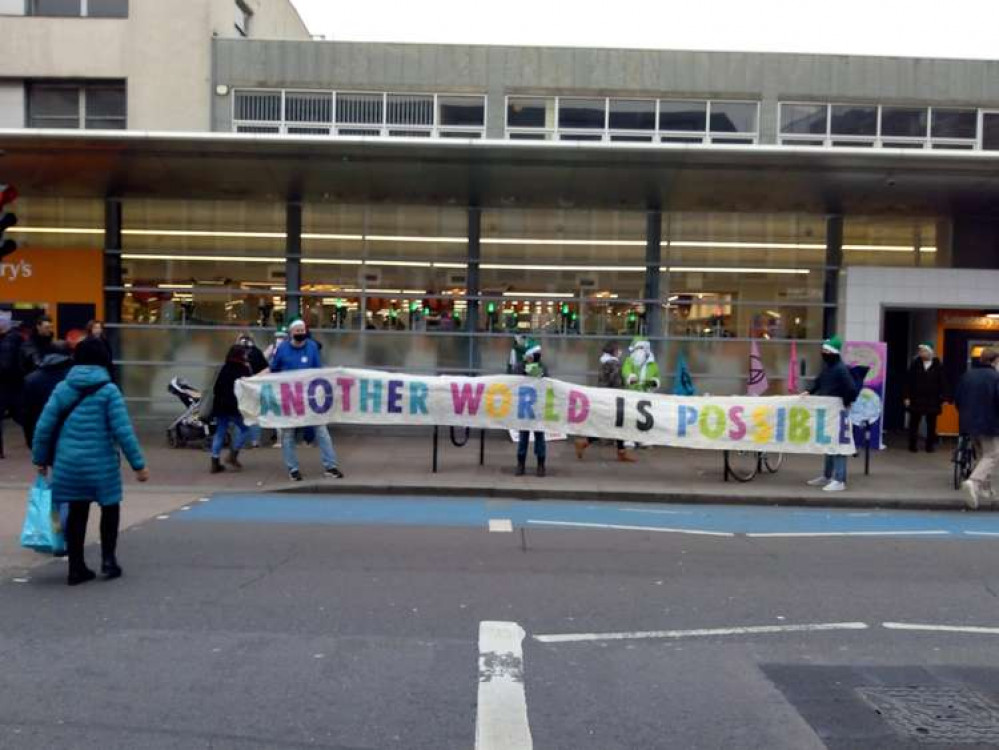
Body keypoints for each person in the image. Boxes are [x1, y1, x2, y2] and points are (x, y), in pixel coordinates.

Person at [31, 338, 148, 586]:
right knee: (110, 508)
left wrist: (40, 459)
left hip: (68, 463)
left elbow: (44, 427)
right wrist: (138, 465)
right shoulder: (109, 390)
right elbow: (122, 431)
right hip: (101, 464)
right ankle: (108, 560)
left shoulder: (63, 388)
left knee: (77, 512)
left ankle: (76, 567)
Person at [269, 319, 344, 481]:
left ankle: (331, 466)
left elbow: (318, 370)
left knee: (322, 432)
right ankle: (293, 469)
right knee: (288, 434)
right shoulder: (282, 349)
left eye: (303, 330)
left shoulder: (311, 347)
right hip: (290, 398)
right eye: (297, 331)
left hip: (311, 398)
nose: (301, 333)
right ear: (291, 333)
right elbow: (274, 369)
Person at [802, 336, 859, 493]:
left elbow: (851, 390)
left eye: (826, 351)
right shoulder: (829, 367)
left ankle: (839, 479)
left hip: (837, 412)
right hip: (829, 412)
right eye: (823, 350)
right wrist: (810, 391)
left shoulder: (840, 369)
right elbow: (819, 382)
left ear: (833, 352)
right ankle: (827, 476)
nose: (823, 353)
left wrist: (844, 403)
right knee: (829, 444)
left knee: (839, 445)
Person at [575, 342, 635, 463]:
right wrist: (628, 384)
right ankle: (584, 443)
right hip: (613, 399)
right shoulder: (614, 364)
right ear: (613, 351)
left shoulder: (605, 363)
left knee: (615, 425)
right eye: (618, 350)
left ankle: (620, 451)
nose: (620, 352)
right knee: (613, 425)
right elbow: (616, 382)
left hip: (605, 397)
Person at [955, 347, 999, 510]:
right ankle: (973, 482)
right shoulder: (996, 377)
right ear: (995, 360)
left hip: (969, 423)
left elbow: (957, 399)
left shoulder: (967, 375)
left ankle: (985, 490)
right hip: (989, 423)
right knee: (992, 455)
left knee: (982, 456)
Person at [209, 344, 254, 474]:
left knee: (220, 433)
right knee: (245, 429)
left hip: (221, 406)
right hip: (235, 406)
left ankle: (215, 461)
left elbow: (216, 388)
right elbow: (248, 388)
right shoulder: (243, 369)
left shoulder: (224, 368)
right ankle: (233, 454)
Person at [20, 346, 73, 447]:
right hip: (70, 433)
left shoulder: (31, 379)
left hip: (43, 430)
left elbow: (26, 413)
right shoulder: (74, 378)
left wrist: (30, 439)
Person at [904, 342, 948, 453]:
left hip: (932, 399)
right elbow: (908, 381)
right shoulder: (915, 364)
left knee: (931, 424)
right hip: (916, 398)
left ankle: (930, 445)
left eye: (923, 350)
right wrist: (907, 396)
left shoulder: (938, 365)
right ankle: (912, 445)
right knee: (914, 422)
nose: (921, 353)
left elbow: (942, 382)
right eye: (920, 351)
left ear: (930, 352)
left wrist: (943, 397)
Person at [514, 339, 548, 477]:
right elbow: (515, 379)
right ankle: (520, 463)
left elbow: (545, 378)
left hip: (538, 407)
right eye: (536, 353)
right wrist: (527, 367)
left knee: (540, 437)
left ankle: (541, 464)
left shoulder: (542, 367)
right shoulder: (519, 366)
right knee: (523, 437)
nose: (539, 355)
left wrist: (534, 369)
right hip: (524, 407)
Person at [237, 333, 268, 447]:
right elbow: (265, 369)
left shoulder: (235, 353)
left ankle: (240, 441)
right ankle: (255, 441)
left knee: (241, 415)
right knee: (255, 414)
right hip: (255, 387)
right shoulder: (257, 352)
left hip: (241, 388)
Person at [0, 312, 24, 441]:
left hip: (8, 383)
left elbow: (6, 364)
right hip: (15, 383)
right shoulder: (16, 338)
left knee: (19, 414)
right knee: (19, 414)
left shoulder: (10, 340)